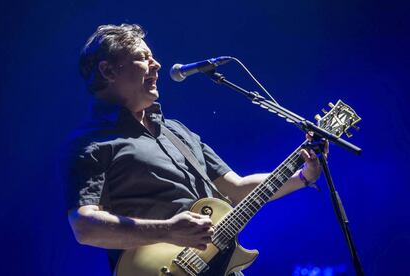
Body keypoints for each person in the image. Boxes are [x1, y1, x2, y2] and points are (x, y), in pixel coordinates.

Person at [62, 23, 326, 275]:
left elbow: (237, 187)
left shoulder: (177, 131)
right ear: (108, 71)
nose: (157, 64)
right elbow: (85, 226)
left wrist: (303, 176)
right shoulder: (91, 142)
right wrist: (167, 230)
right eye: (142, 57)